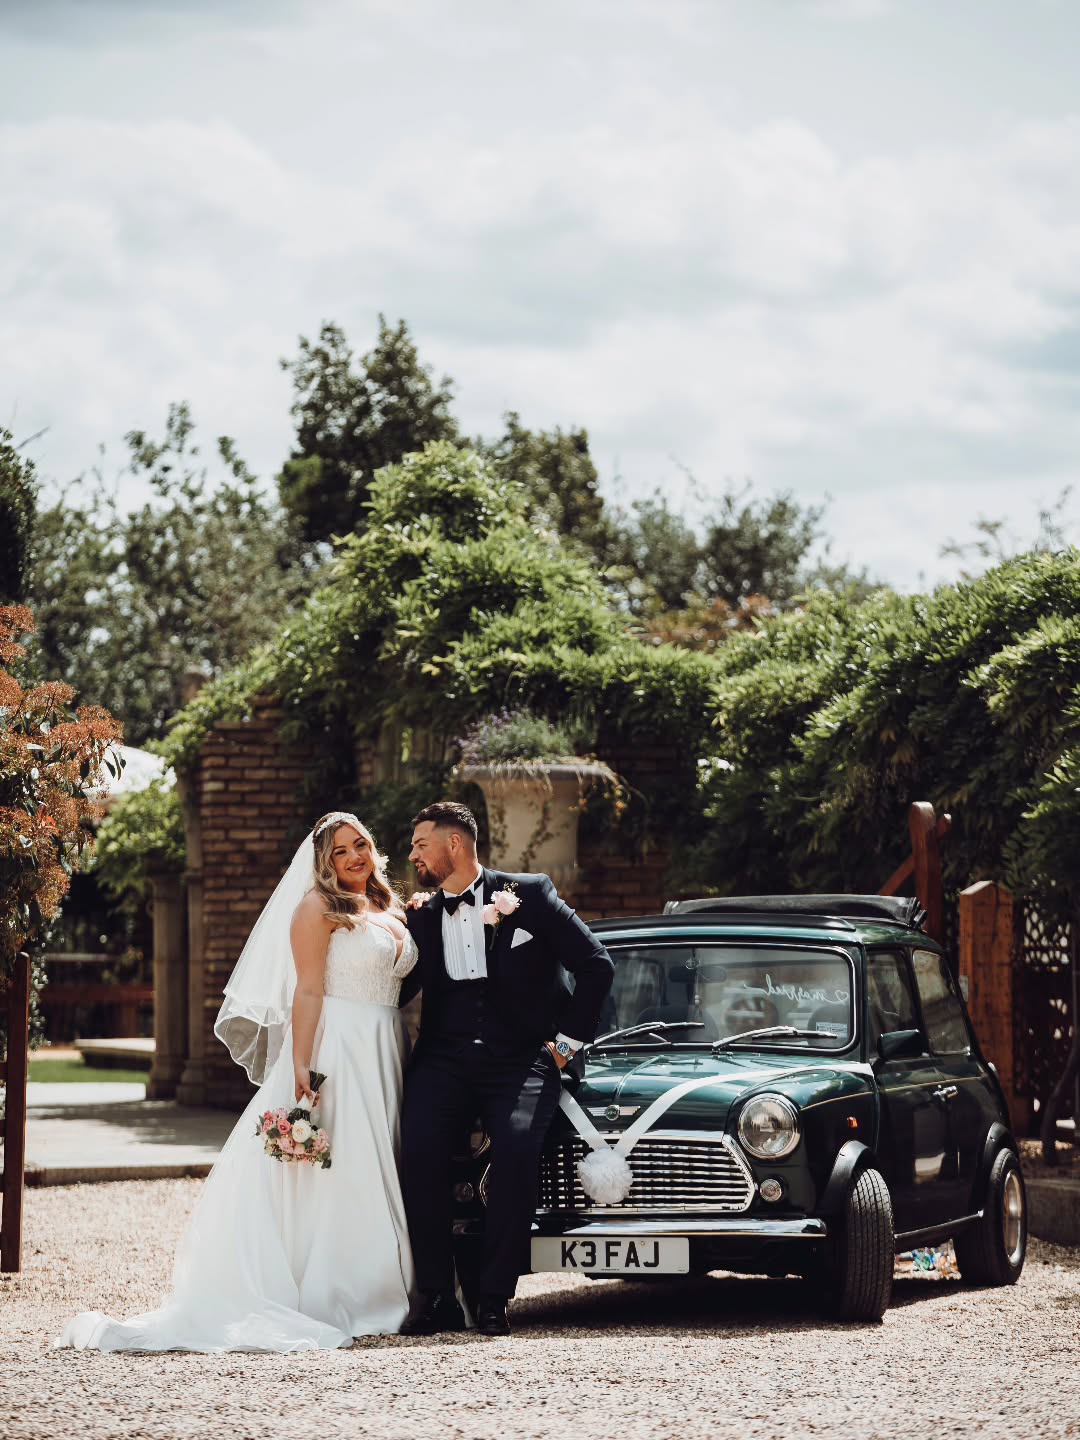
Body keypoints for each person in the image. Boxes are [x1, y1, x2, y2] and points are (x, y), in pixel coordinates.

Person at [54, 812, 416, 1353]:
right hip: (338, 1048)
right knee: (345, 1166)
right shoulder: (316, 908)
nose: (356, 857)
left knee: (385, 1155)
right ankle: (348, 1291)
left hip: (385, 1046)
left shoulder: (390, 907)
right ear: (324, 863)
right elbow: (309, 992)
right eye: (341, 852)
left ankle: (399, 1282)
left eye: (360, 844)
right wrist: (300, 1063)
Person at [399, 801, 614, 1338]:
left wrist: (564, 1047)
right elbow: (397, 988)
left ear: (454, 845)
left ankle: (495, 1297)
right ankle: (436, 1296)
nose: (413, 855)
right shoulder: (422, 915)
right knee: (418, 1148)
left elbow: (596, 965)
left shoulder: (531, 895)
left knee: (518, 1148)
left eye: (421, 844)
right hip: (443, 1058)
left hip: (520, 1058)